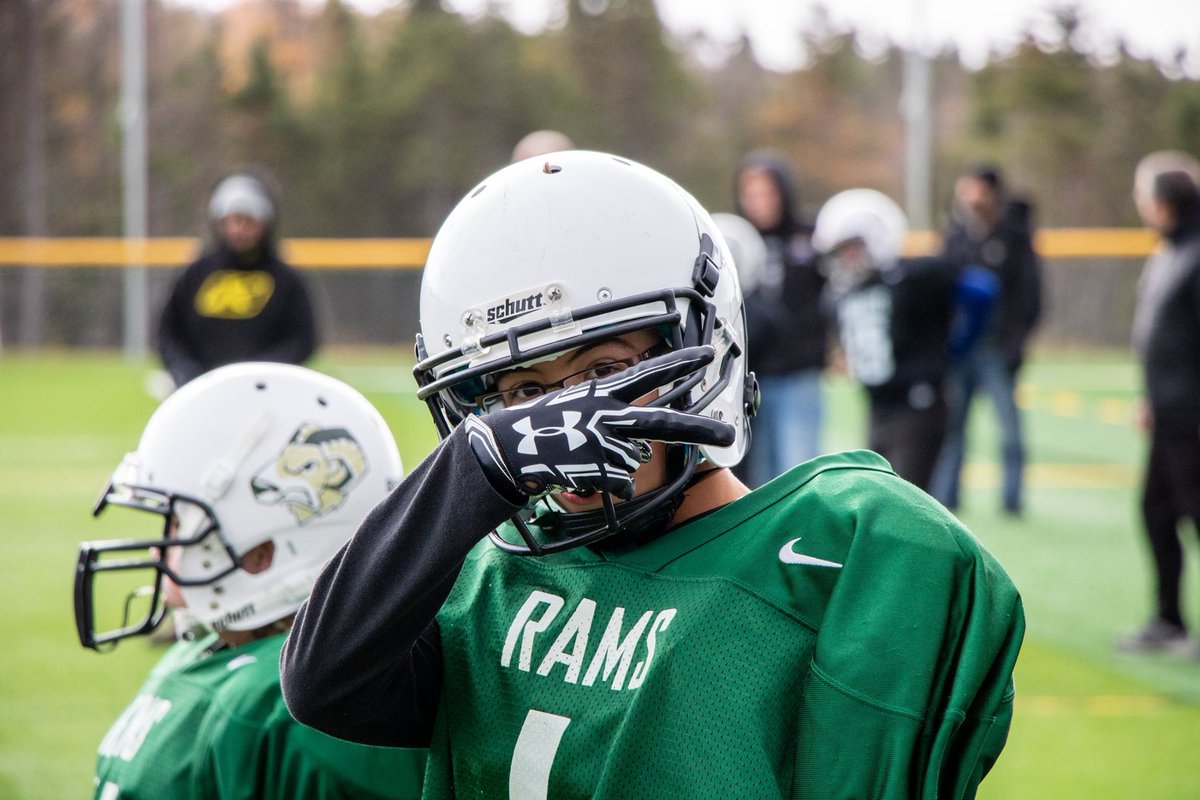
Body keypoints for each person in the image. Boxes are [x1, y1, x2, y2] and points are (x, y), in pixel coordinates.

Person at [280, 151, 1025, 798]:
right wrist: (477, 468)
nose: (563, 423)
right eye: (522, 396)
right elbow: (323, 681)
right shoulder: (485, 586)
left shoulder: (831, 557)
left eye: (603, 370)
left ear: (704, 347)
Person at [74, 362, 426, 799]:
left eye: (175, 523)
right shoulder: (200, 649)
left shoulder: (300, 716)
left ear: (262, 550)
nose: (154, 550)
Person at [813, 188, 988, 492]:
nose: (846, 258)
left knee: (906, 506)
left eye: (852, 247)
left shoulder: (913, 277)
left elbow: (983, 290)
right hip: (878, 407)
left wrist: (958, 347)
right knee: (879, 501)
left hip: (917, 404)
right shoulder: (843, 293)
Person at [1118, 151, 1200, 654]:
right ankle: (1169, 620)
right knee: (1156, 512)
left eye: (1143, 194)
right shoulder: (1171, 249)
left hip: (1193, 417)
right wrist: (1151, 396)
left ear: (1163, 203)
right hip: (1169, 412)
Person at [930, 165, 1042, 516]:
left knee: (1010, 430)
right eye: (966, 191)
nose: (971, 199)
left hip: (996, 350)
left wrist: (1015, 344)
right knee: (953, 431)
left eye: (977, 191)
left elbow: (1030, 295)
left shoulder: (1014, 237)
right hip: (960, 350)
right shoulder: (956, 236)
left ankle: (1012, 500)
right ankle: (946, 498)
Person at [157, 171, 318, 389]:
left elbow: (302, 340)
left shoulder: (285, 279)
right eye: (231, 221)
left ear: (265, 222)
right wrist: (188, 372)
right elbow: (169, 333)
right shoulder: (196, 274)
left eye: (246, 221)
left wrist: (259, 374)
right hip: (202, 391)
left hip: (264, 392)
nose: (237, 229)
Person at [733, 150, 828, 487]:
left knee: (798, 471)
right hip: (750, 377)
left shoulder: (812, 238)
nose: (758, 202)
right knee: (754, 480)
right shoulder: (733, 240)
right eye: (751, 194)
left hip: (799, 374)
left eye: (766, 193)